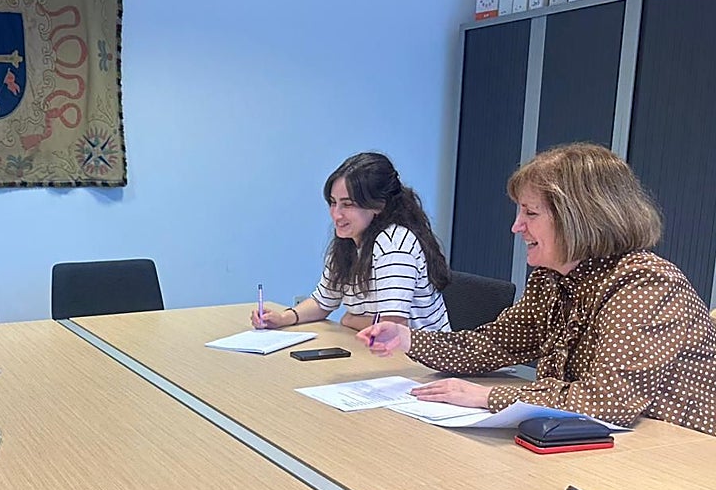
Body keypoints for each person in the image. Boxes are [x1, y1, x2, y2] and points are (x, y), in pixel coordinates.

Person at [360, 143, 716, 434]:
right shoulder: (553, 278)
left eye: (530, 213)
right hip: (604, 441)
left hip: (679, 452)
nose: (516, 227)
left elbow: (607, 401)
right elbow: (495, 344)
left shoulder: (646, 285)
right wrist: (407, 338)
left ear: (581, 219)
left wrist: (488, 397)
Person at [251, 152, 450, 333]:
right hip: (378, 349)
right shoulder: (349, 240)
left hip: (418, 358)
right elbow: (323, 301)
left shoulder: (394, 245)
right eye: (333, 202)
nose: (336, 214)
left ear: (378, 206)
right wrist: (283, 318)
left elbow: (393, 327)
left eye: (347, 204)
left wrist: (350, 319)